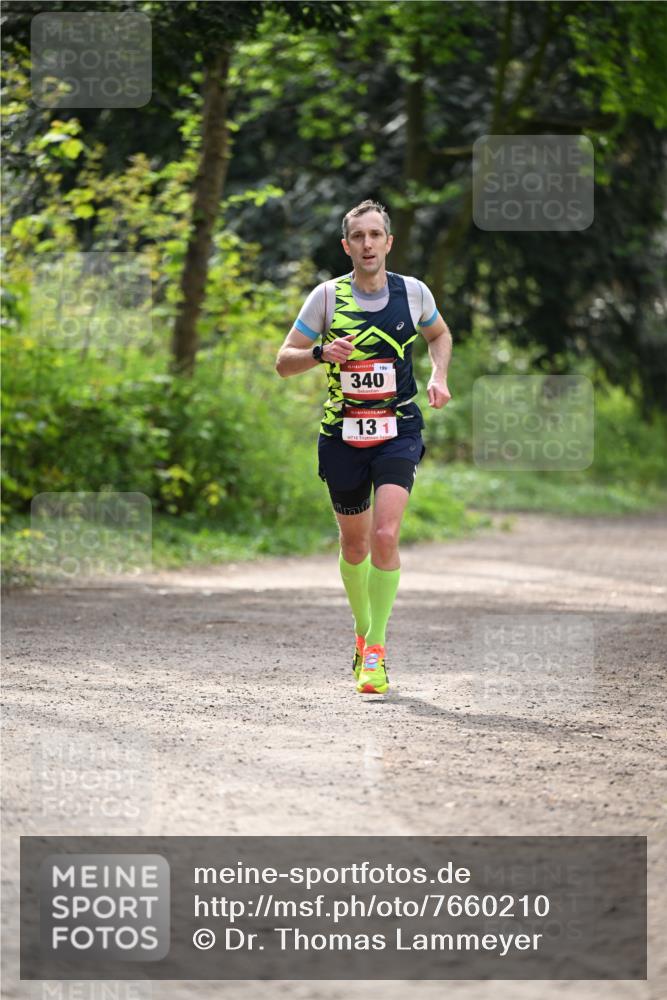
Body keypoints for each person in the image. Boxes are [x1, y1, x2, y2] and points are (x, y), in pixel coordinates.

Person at [275, 199, 452, 694]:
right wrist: (319, 352)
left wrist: (439, 375)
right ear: (346, 245)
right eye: (359, 237)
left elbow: (439, 334)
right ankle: (361, 633)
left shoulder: (413, 293)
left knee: (385, 536)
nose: (368, 244)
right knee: (354, 545)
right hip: (343, 436)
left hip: (399, 430)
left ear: (389, 242)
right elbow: (283, 362)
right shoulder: (326, 298)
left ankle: (375, 649)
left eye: (376, 235)